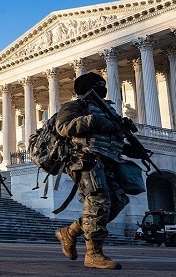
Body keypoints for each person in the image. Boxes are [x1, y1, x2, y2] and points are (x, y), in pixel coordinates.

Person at [54, 72, 136, 270]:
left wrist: (129, 147)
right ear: (87, 89)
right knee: (98, 199)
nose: (102, 88)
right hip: (84, 159)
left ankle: (71, 231)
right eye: (98, 85)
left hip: (108, 160)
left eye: (103, 85)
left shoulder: (108, 111)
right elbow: (63, 128)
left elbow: (110, 139)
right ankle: (93, 253)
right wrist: (93, 120)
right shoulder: (76, 106)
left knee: (117, 201)